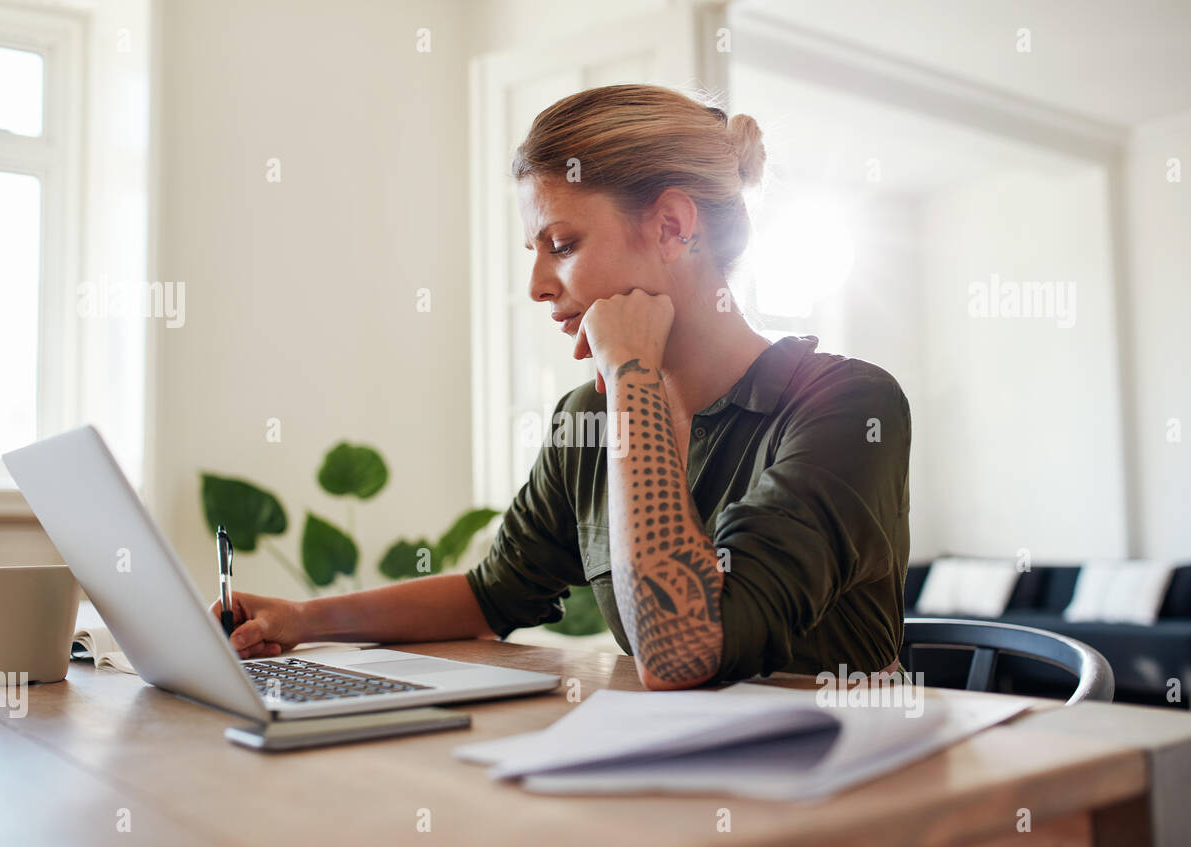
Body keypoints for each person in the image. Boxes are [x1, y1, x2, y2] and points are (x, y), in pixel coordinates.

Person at [211, 83, 911, 691]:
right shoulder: (588, 416)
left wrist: (633, 374)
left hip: (843, 795)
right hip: (676, 786)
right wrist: (301, 620)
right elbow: (491, 596)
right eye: (535, 252)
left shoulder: (849, 407)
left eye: (563, 245)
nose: (539, 286)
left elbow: (680, 651)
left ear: (671, 226)